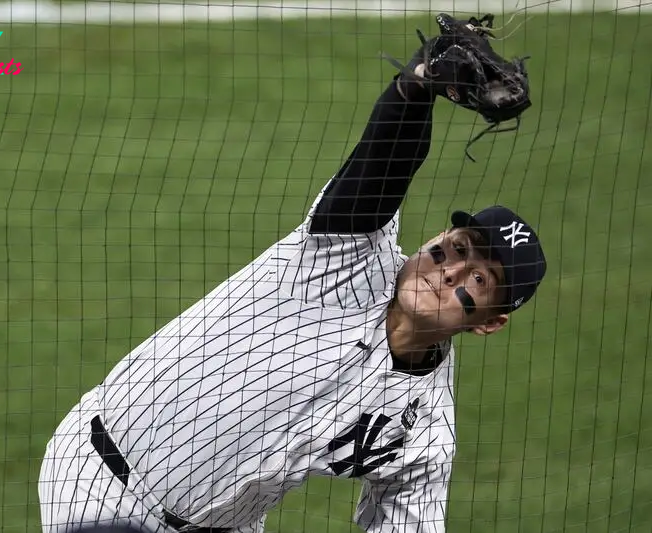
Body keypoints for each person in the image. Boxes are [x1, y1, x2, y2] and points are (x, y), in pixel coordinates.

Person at [38, 13, 546, 533]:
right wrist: (416, 89)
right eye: (455, 247)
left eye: (479, 281)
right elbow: (382, 166)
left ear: (489, 321)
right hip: (97, 480)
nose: (451, 270)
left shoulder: (425, 430)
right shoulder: (345, 260)